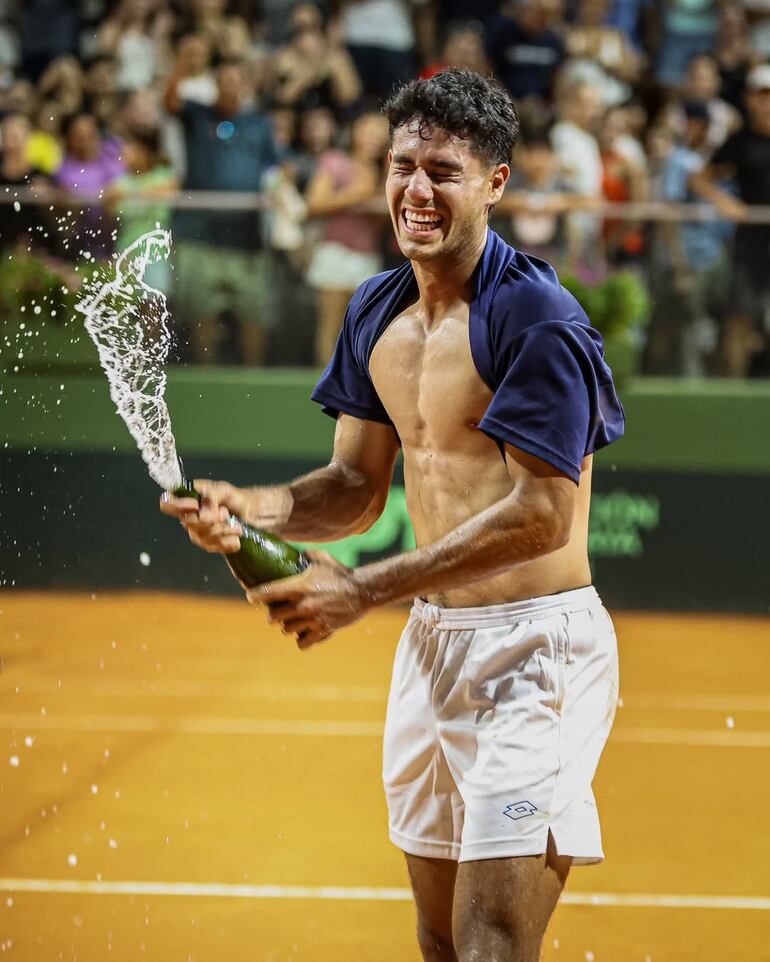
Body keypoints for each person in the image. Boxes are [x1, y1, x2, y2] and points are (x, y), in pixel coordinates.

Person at [162, 68, 624, 961]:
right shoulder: (378, 308)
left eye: (444, 171)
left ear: (495, 183)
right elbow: (354, 488)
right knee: (438, 941)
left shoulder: (538, 320)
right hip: (434, 646)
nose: (416, 188)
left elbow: (541, 518)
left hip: (539, 652)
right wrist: (251, 507)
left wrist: (361, 591)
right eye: (402, 164)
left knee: (490, 939)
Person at [165, 58, 278, 364]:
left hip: (247, 235)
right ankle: (207, 376)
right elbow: (169, 100)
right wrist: (183, 64)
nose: (229, 85)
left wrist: (283, 186)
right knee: (203, 312)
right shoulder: (196, 114)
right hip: (199, 232)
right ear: (214, 83)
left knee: (253, 314)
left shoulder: (260, 123)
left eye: (235, 80)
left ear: (245, 85)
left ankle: (253, 378)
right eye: (223, 79)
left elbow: (278, 166)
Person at [689, 62, 770, 376]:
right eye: (759, 94)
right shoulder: (741, 140)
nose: (765, 101)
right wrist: (727, 203)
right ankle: (735, 389)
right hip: (750, 242)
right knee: (740, 317)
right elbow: (699, 180)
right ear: (749, 98)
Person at [305, 110, 389, 364]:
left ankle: (355, 393)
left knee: (364, 330)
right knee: (330, 326)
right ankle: (326, 390)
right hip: (335, 253)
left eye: (379, 133)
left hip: (368, 257)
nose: (373, 138)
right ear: (354, 132)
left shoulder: (388, 171)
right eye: (368, 131)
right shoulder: (335, 161)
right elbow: (314, 204)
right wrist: (357, 195)